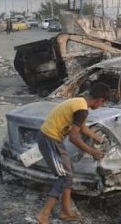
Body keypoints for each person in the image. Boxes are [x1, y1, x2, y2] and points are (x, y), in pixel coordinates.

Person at [36, 82, 110, 224]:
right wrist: (93, 151)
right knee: (63, 177)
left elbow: (82, 127)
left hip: (53, 139)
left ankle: (66, 212)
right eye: (103, 103)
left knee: (68, 174)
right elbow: (74, 137)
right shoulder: (82, 110)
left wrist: (98, 138)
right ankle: (43, 215)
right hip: (49, 139)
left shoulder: (79, 103)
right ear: (100, 100)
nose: (101, 106)